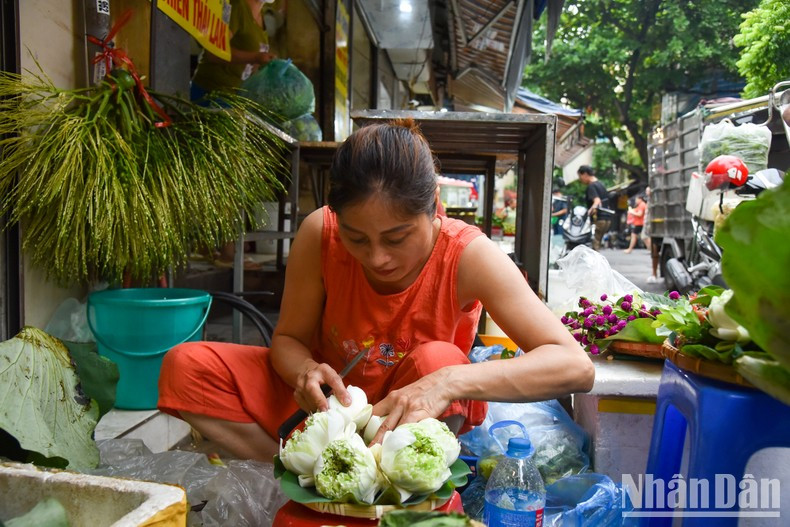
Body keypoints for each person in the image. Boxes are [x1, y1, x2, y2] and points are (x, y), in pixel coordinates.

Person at [158, 119, 595, 461]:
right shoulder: (320, 233)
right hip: (323, 411)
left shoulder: (468, 255)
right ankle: (296, 473)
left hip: (406, 421)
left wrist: (446, 383)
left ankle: (393, 477)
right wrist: (304, 371)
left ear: (433, 207)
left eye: (396, 238)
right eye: (357, 238)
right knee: (185, 366)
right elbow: (288, 338)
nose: (377, 257)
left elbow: (574, 366)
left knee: (440, 360)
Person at [191, 0, 277, 268]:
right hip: (212, 93)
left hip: (234, 100)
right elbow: (214, 52)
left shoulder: (262, 19)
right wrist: (254, 57)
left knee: (224, 174)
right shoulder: (238, 8)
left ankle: (208, 245)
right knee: (225, 173)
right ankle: (225, 252)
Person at [577, 165, 613, 251]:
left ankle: (595, 259)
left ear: (585, 174)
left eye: (580, 176)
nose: (580, 179)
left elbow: (597, 201)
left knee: (595, 245)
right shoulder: (601, 184)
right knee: (598, 243)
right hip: (607, 219)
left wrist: (589, 212)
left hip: (599, 219)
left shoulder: (591, 186)